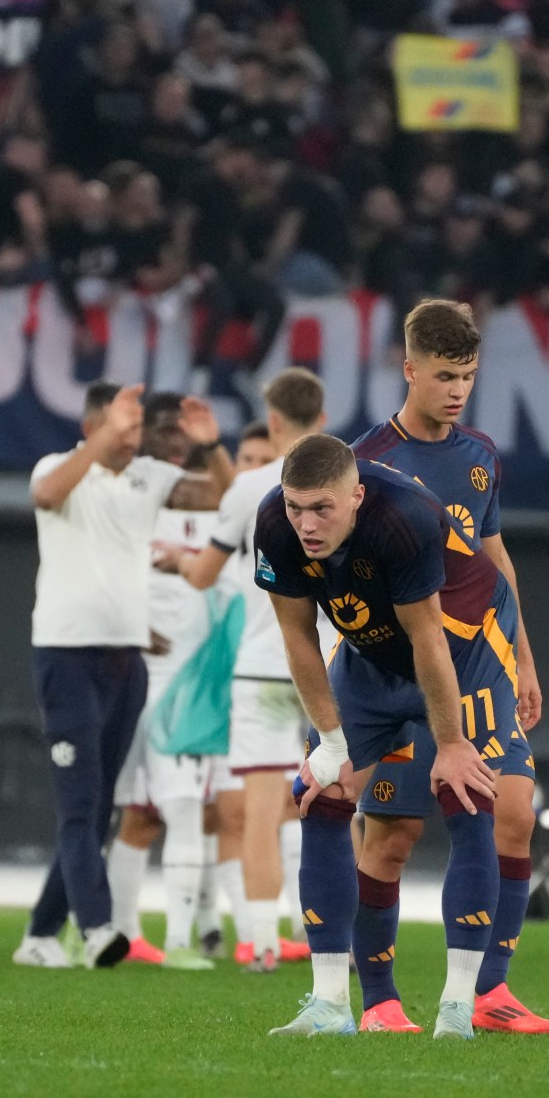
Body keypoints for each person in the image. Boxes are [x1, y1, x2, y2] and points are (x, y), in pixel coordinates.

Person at [257, 439, 527, 1040]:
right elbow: (297, 634)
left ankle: (458, 1008)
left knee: (467, 796)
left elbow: (428, 639)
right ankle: (329, 1006)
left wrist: (452, 743)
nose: (306, 523)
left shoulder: (401, 518)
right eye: (296, 506)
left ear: (356, 495)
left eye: (322, 509)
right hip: (368, 657)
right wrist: (330, 742)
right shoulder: (275, 520)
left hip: (465, 644)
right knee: (322, 797)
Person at [345, 300, 549, 1035]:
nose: (457, 389)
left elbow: (495, 556)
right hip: (400, 669)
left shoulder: (480, 455)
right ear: (408, 371)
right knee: (394, 837)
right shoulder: (367, 464)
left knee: (514, 811)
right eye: (443, 375)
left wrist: (524, 656)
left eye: (467, 375)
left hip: (483, 660)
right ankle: (378, 1001)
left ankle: (490, 993)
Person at [16, 381, 232, 969]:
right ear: (93, 426)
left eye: (136, 431)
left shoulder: (149, 478)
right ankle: (97, 929)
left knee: (98, 807)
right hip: (66, 657)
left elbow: (227, 501)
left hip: (124, 662)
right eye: (122, 428)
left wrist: (212, 448)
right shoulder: (61, 467)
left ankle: (38, 934)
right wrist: (101, 440)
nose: (132, 440)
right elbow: (44, 495)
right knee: (82, 806)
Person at [183, 374, 327, 971]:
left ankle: (264, 943)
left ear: (271, 422)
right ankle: (339, 943)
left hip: (266, 668)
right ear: (321, 416)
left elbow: (200, 575)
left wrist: (181, 560)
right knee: (337, 807)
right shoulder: (351, 479)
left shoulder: (248, 488)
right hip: (331, 669)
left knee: (263, 813)